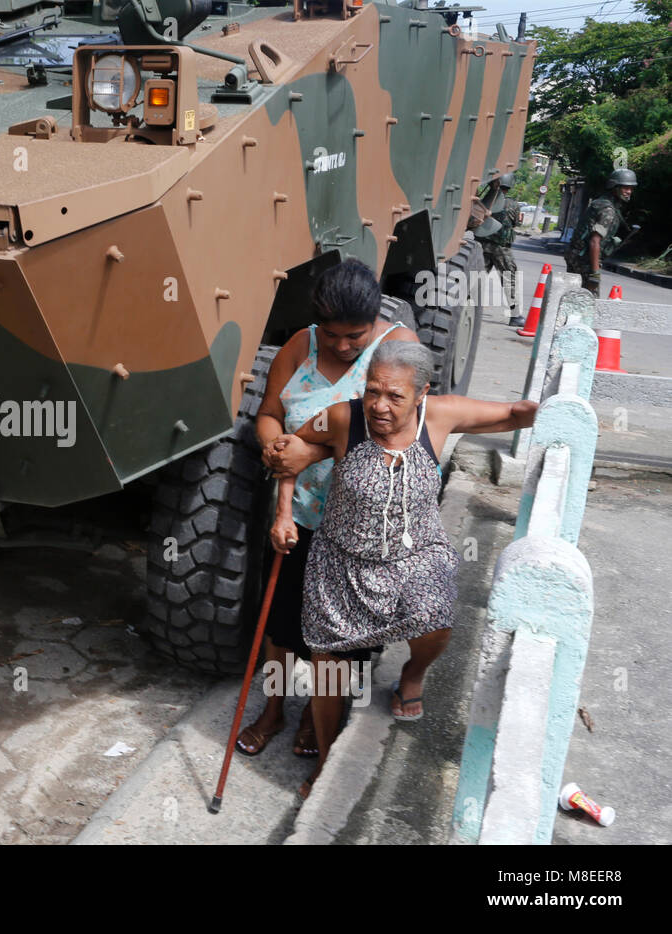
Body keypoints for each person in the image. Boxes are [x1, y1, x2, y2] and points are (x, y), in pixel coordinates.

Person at [269, 341, 537, 797]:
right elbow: (286, 450)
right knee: (328, 667)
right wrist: (283, 514)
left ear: (421, 393)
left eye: (394, 396)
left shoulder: (439, 415)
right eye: (373, 391)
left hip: (416, 555)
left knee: (437, 625)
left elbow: (514, 416)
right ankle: (328, 759)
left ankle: (411, 674)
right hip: (341, 559)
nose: (379, 405)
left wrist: (544, 409)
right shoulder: (341, 417)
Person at [235, 258, 419, 759]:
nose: (341, 346)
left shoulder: (399, 351)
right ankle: (274, 709)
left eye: (354, 335)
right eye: (332, 334)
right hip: (295, 516)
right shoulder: (301, 344)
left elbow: (401, 436)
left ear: (374, 321)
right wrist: (276, 446)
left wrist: (309, 451)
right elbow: (271, 413)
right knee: (280, 626)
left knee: (335, 639)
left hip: (358, 528)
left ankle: (321, 719)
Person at [565, 168, 637, 297]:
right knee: (590, 300)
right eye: (625, 188)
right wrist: (595, 272)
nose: (629, 192)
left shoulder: (601, 203)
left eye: (631, 188)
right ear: (614, 187)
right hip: (585, 261)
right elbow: (595, 241)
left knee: (572, 298)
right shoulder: (608, 210)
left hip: (575, 256)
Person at [474, 173, 525, 327]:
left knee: (475, 278)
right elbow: (516, 223)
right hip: (501, 249)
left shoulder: (485, 200)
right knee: (510, 279)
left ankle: (465, 308)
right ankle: (515, 316)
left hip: (482, 245)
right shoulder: (513, 204)